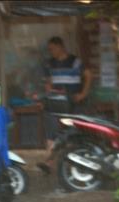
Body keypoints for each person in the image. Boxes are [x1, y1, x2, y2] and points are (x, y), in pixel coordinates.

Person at [37, 36, 92, 174]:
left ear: (61, 46)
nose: (51, 52)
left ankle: (74, 163)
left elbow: (89, 75)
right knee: (51, 133)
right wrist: (47, 96)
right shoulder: (50, 63)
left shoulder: (75, 61)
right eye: (49, 49)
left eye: (52, 49)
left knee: (73, 132)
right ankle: (49, 164)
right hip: (56, 103)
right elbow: (48, 82)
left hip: (74, 102)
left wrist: (83, 94)